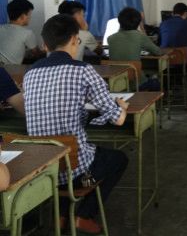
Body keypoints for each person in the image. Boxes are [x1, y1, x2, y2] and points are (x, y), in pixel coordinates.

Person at [23, 14, 129, 234]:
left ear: (45, 45)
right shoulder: (83, 70)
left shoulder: (30, 73)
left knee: (64, 154)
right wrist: (122, 106)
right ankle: (84, 215)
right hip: (73, 168)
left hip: (41, 167)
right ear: (74, 39)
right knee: (118, 159)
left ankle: (61, 215)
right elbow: (118, 119)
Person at [108, 7, 162, 91]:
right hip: (136, 84)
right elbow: (158, 52)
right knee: (157, 83)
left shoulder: (110, 38)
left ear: (119, 21)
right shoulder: (140, 36)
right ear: (138, 22)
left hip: (117, 85)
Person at [159, 2, 187, 102]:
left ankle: (166, 92)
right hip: (185, 62)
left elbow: (159, 42)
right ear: (185, 13)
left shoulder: (163, 24)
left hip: (166, 62)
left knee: (165, 68)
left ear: (173, 13)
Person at [0, 0, 42, 64]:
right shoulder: (27, 33)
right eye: (29, 15)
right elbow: (37, 54)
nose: (30, 17)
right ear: (22, 16)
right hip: (9, 69)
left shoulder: (1, 27)